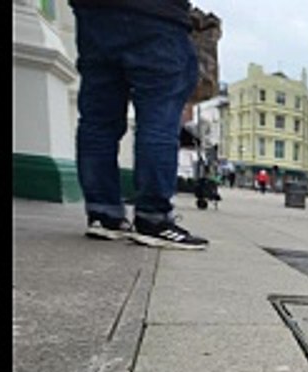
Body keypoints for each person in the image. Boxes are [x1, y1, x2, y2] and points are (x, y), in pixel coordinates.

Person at [71, 0, 207, 249]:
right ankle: (153, 219)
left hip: (94, 13)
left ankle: (103, 214)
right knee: (159, 118)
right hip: (158, 15)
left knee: (98, 119)